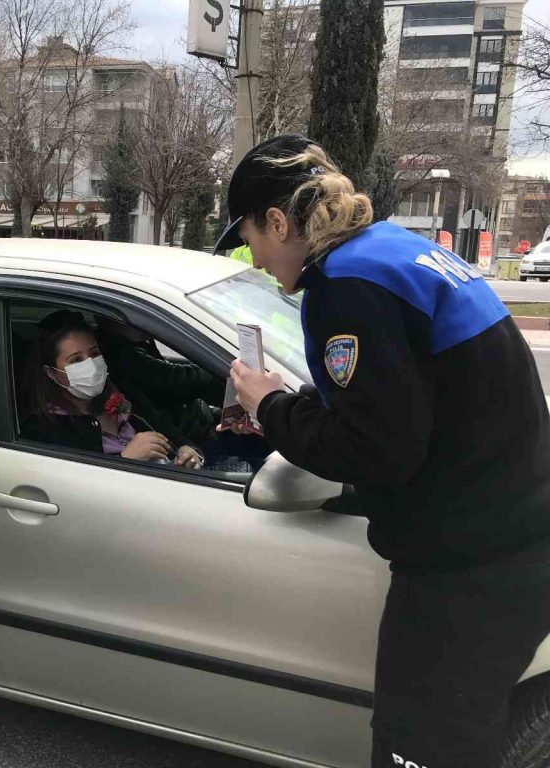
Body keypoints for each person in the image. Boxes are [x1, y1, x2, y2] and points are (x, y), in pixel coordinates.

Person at [216, 134, 550, 768]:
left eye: (249, 239)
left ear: (279, 222)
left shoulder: (345, 286)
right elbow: (408, 392)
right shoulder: (393, 251)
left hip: (470, 572)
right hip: (514, 534)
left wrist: (269, 407)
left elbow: (375, 451)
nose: (254, 259)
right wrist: (310, 402)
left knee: (419, 747)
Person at [20, 310, 204, 468]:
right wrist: (126, 459)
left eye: (94, 354)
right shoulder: (43, 430)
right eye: (76, 360)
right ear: (51, 373)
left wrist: (187, 452)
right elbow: (76, 491)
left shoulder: (122, 398)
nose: (90, 365)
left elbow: (173, 438)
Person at [96, 316, 224, 452]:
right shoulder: (121, 358)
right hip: (190, 435)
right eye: (76, 359)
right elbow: (174, 380)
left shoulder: (134, 345)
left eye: (93, 353)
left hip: (195, 425)